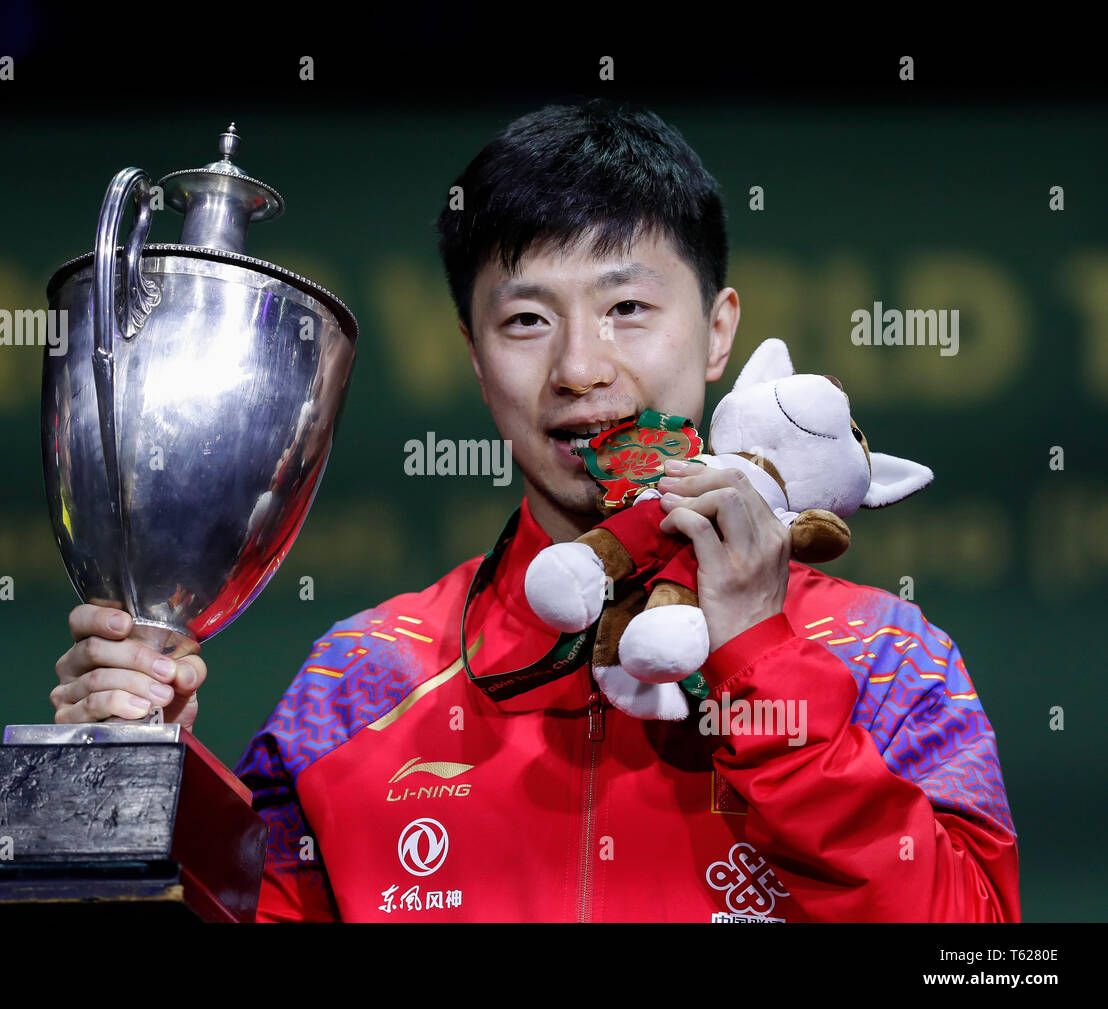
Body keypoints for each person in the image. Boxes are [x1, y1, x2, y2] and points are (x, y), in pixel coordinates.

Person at [50, 99, 1019, 922]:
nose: (580, 368)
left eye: (627, 309)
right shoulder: (359, 682)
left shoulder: (883, 656)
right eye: (525, 320)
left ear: (719, 329)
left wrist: (763, 665)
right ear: (475, 360)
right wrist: (144, 788)